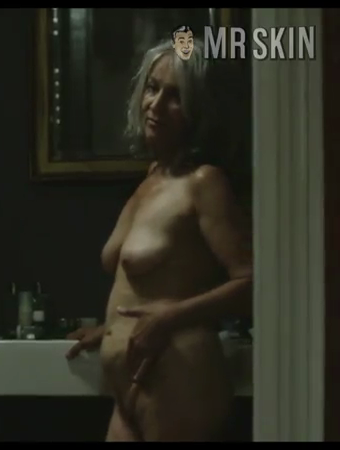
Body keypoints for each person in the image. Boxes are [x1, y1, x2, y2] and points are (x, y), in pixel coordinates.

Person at [65, 39, 252, 441]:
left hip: (177, 376)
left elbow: (252, 283)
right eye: (152, 88)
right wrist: (112, 327)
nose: (156, 104)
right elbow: (151, 283)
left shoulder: (205, 183)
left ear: (200, 110)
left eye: (175, 96)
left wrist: (168, 318)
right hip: (130, 386)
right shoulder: (153, 177)